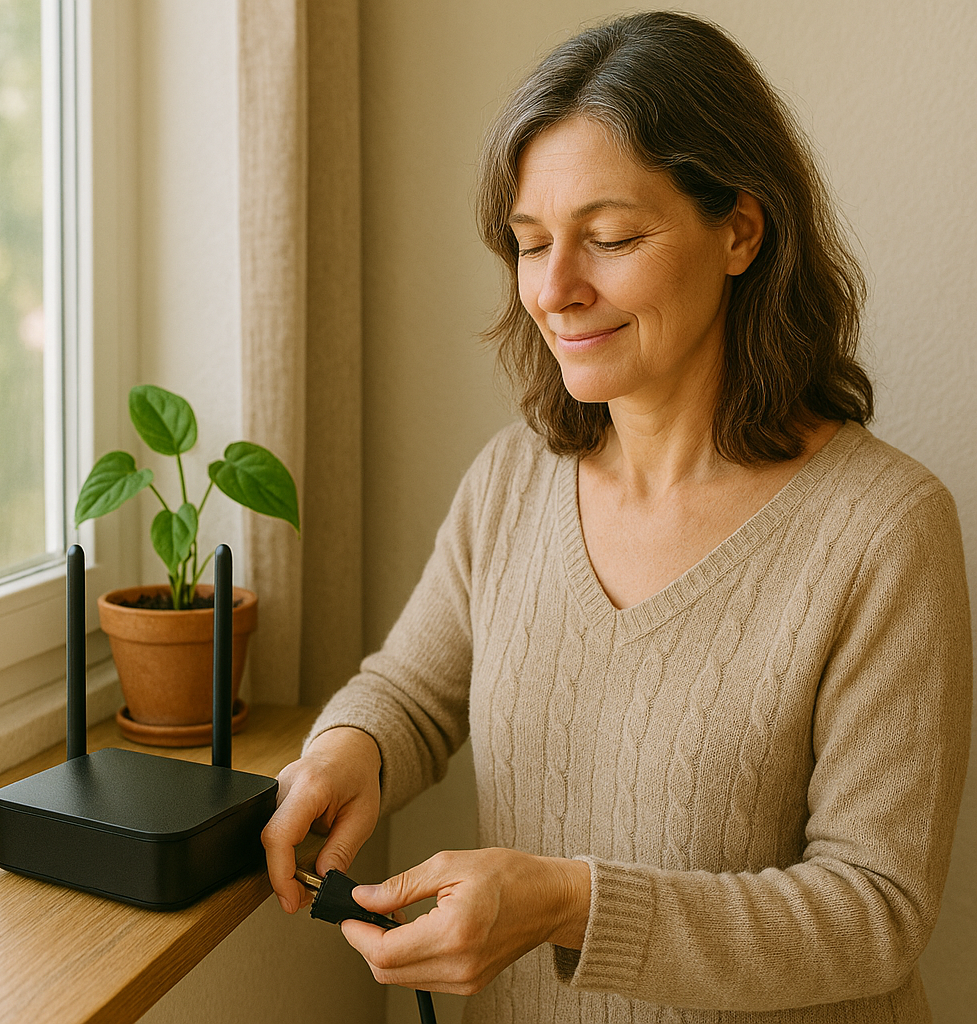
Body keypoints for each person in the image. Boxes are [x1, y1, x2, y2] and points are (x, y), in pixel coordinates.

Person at [261, 11, 972, 1023]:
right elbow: (414, 693)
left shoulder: (884, 529)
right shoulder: (512, 479)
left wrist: (567, 903)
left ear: (739, 228)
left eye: (609, 238)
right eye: (530, 242)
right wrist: (346, 750)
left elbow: (875, 912)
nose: (555, 291)